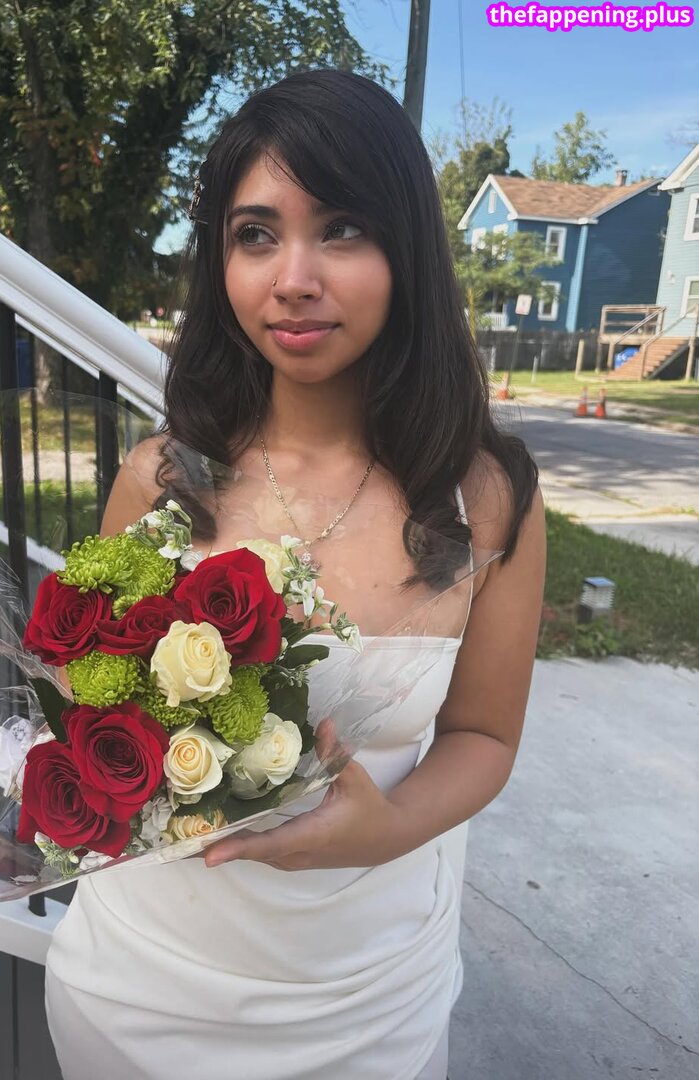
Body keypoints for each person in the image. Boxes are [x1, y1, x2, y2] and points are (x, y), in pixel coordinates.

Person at [44, 68, 546, 1080]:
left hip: (367, 1004)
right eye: (256, 234)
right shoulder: (160, 481)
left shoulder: (486, 497)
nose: (294, 278)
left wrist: (383, 829)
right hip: (139, 986)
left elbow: (485, 737)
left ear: (406, 250)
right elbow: (82, 696)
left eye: (343, 229)